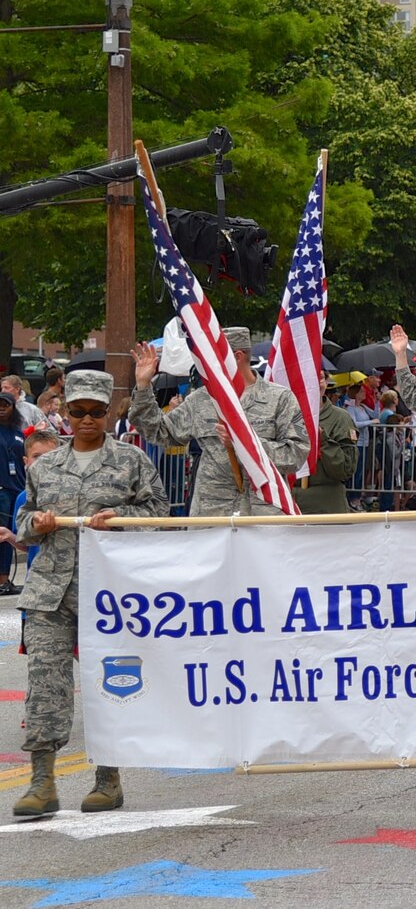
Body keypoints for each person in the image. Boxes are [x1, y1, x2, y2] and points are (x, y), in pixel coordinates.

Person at [10, 371, 169, 817]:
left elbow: (159, 511)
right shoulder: (45, 466)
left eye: (96, 412)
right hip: (50, 595)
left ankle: (108, 778)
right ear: (65, 411)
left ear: (106, 411)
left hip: (109, 595)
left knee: (109, 685)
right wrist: (36, 524)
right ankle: (42, 782)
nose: (86, 420)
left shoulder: (132, 461)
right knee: (45, 687)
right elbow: (23, 524)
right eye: (77, 411)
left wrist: (120, 515)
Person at [129, 328, 309, 518]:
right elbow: (158, 432)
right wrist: (143, 387)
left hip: (264, 515)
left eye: (211, 357)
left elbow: (296, 454)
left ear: (237, 357)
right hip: (212, 516)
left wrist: (246, 443)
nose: (204, 364)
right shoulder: (201, 399)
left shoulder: (279, 398)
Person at [294, 379, 359, 515]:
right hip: (288, 503)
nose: (313, 380)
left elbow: (345, 470)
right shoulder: (282, 416)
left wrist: (323, 441)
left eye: (320, 377)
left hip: (325, 505)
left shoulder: (339, 418)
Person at [0, 392, 26, 595]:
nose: (2, 408)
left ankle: (4, 580)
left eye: (6, 405)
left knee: (11, 537)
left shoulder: (18, 432)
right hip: (1, 490)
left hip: (16, 489)